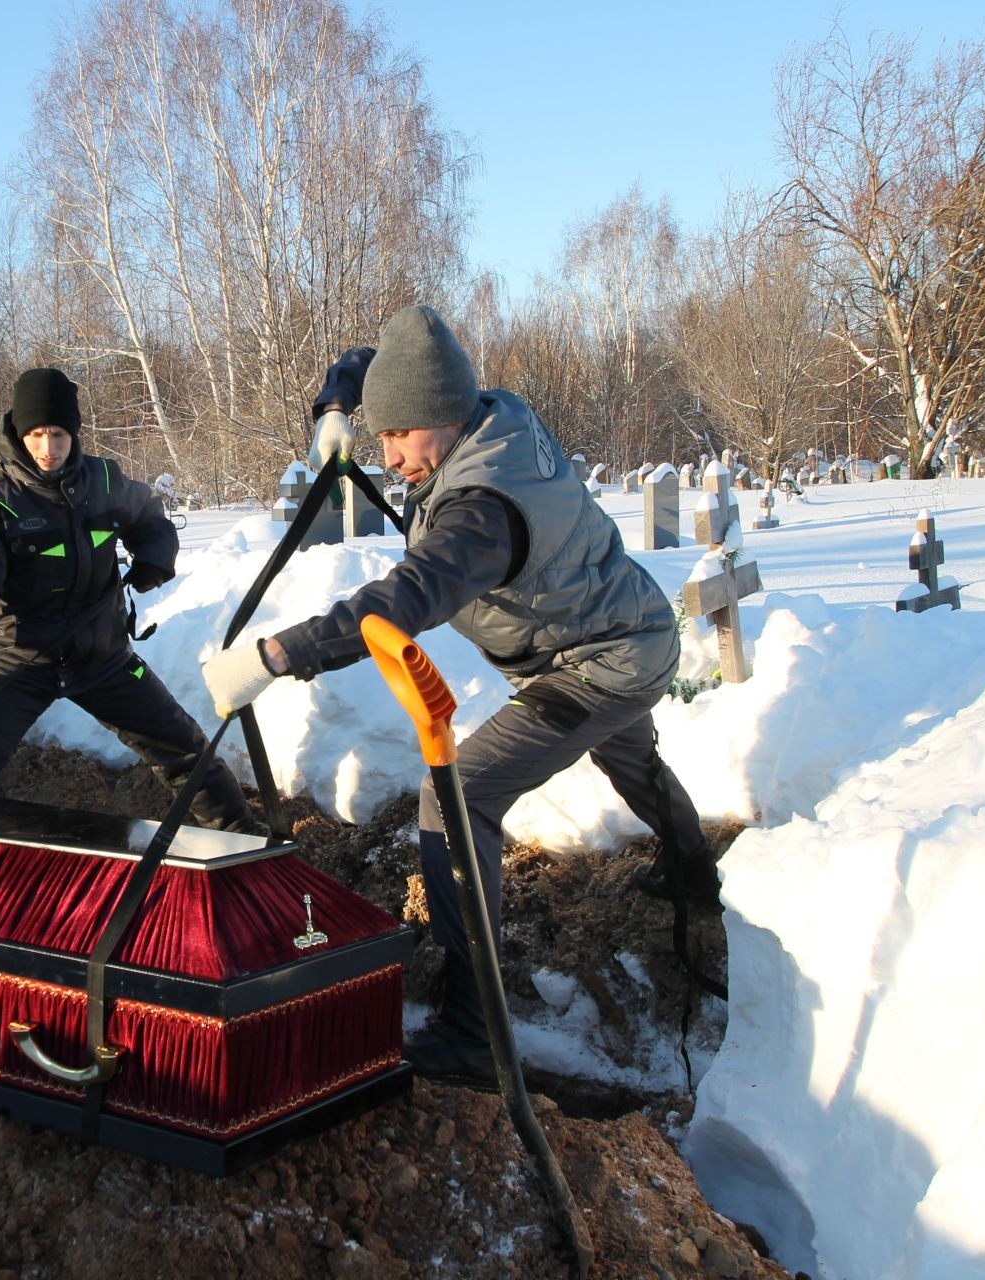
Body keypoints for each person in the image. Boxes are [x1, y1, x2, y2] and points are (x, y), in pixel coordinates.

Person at [202, 305, 720, 1086]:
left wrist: (277, 655)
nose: (389, 456)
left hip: (594, 661)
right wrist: (339, 409)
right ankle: (692, 870)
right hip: (628, 624)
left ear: (441, 419)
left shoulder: (484, 512)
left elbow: (398, 606)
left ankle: (476, 1028)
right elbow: (379, 358)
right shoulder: (486, 408)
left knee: (457, 796)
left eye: (399, 437)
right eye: (382, 436)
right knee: (631, 758)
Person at [0, 368, 253, 832]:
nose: (48, 448)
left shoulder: (103, 479)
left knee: (185, 750)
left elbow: (148, 512)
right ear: (18, 434)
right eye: (35, 434)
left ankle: (240, 842)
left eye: (58, 434)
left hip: (102, 656)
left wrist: (154, 555)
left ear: (73, 433)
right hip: (19, 662)